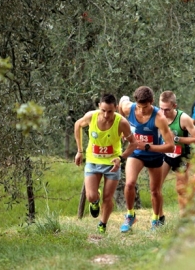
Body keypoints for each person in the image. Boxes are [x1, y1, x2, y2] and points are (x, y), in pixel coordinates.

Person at [74, 94, 137, 233]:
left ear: (115, 108)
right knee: (91, 196)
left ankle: (102, 224)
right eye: (103, 110)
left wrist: (121, 158)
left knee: (108, 198)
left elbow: (134, 143)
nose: (106, 114)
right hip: (93, 161)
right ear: (99, 107)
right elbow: (78, 124)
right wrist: (79, 151)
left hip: (112, 163)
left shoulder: (121, 122)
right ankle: (95, 201)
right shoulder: (92, 116)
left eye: (110, 111)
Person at [118, 86, 175, 232]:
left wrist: (148, 147)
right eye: (139, 106)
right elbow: (121, 103)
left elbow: (170, 147)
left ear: (152, 102)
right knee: (129, 183)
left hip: (154, 154)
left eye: (146, 106)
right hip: (136, 152)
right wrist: (125, 131)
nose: (142, 110)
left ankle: (156, 220)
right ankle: (130, 216)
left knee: (155, 191)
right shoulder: (128, 108)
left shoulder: (159, 118)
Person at [157, 91, 195, 223]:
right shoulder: (157, 116)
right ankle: (159, 218)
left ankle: (185, 218)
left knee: (181, 188)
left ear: (174, 106)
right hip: (166, 154)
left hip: (182, 155)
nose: (164, 113)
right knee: (156, 186)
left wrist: (176, 138)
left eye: (167, 110)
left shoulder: (184, 118)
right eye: (161, 109)